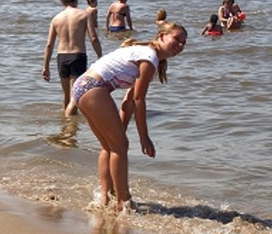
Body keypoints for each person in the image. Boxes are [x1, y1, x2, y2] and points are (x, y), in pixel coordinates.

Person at [69, 23, 188, 212]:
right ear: (162, 36)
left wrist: (121, 130)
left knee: (110, 146)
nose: (180, 45)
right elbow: (140, 100)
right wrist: (144, 137)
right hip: (93, 88)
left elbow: (129, 101)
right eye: (176, 39)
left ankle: (106, 198)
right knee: (118, 146)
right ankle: (124, 202)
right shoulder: (149, 58)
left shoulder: (145, 54)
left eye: (183, 43)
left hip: (82, 87)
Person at [41, 0, 103, 114]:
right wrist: (100, 57)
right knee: (75, 96)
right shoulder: (84, 15)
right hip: (77, 56)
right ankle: (70, 127)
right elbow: (94, 38)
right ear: (76, 0)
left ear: (62, 1)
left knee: (66, 95)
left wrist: (45, 66)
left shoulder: (56, 19)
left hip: (62, 57)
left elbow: (49, 45)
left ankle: (66, 125)